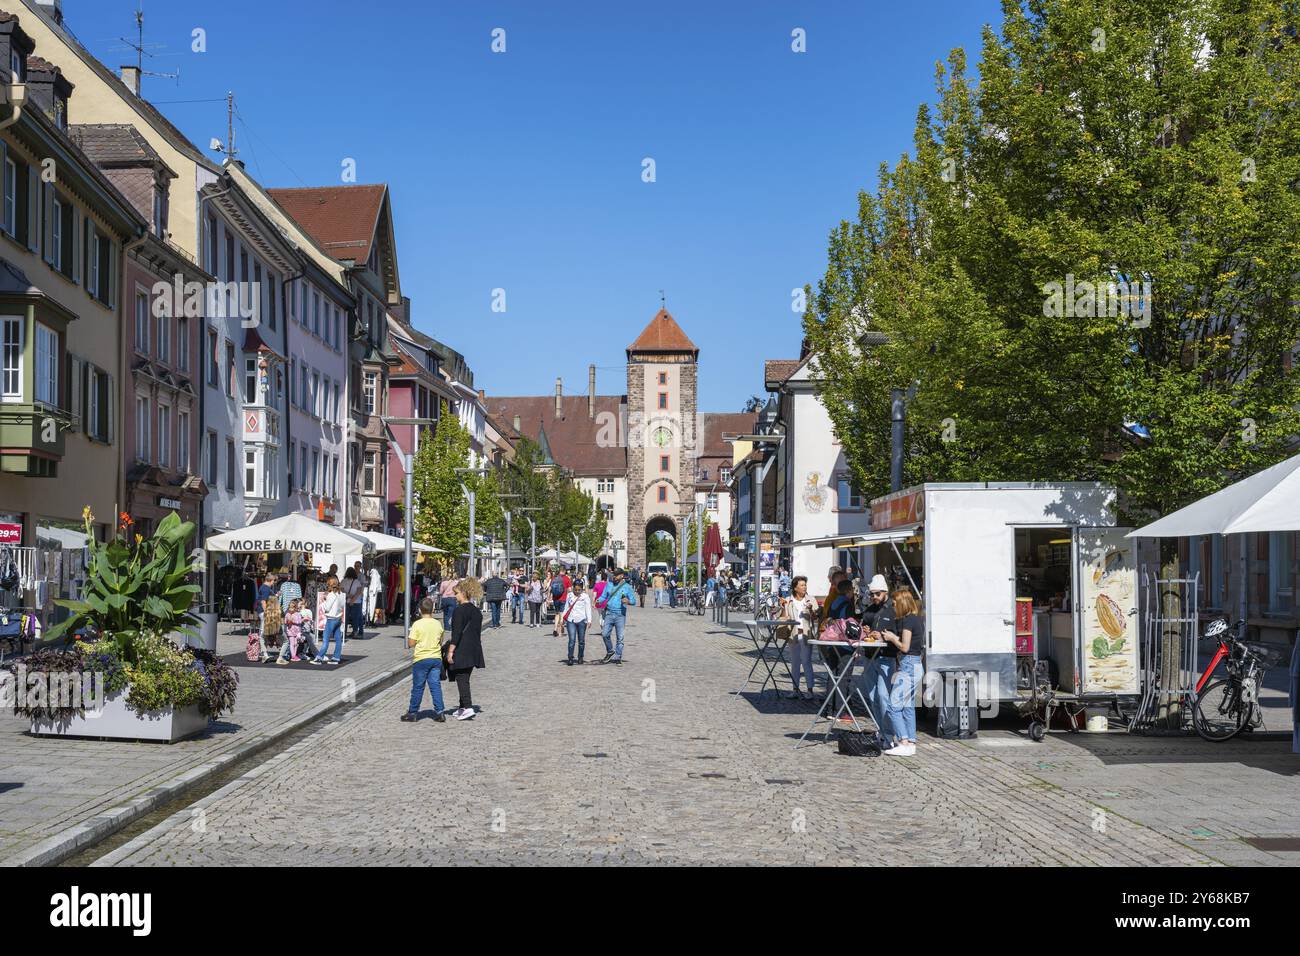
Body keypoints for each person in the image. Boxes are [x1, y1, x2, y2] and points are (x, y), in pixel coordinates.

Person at [880, 588, 924, 757]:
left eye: (895, 603)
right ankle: (911, 741)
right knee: (908, 706)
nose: (894, 606)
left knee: (893, 705)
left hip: (908, 665)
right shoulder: (916, 619)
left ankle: (903, 742)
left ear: (903, 603)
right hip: (916, 665)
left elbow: (904, 647)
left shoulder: (908, 621)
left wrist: (892, 638)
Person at [857, 574, 899, 743]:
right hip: (869, 657)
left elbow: (899, 634)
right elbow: (863, 625)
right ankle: (881, 731)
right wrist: (865, 631)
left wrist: (883, 637)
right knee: (874, 697)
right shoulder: (870, 609)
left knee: (883, 696)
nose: (874, 597)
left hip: (886, 658)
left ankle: (889, 733)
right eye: (872, 594)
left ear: (885, 592)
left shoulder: (894, 610)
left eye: (877, 594)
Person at [401, 597, 446, 722]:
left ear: (420, 610)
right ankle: (440, 711)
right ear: (432, 609)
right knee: (435, 686)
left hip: (421, 658)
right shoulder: (438, 624)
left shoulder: (417, 624)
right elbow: (441, 641)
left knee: (418, 687)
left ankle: (412, 712)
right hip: (436, 658)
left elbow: (411, 643)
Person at [446, 578, 486, 720]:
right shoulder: (477, 611)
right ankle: (462, 707)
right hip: (474, 648)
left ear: (463, 593)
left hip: (462, 648)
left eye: (456, 593)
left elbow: (456, 634)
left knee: (461, 678)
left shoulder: (459, 611)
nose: (455, 596)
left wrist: (451, 651)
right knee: (465, 677)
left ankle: (468, 707)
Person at [784, 575, 820, 700]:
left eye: (805, 585)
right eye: (802, 585)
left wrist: (811, 611)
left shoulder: (810, 599)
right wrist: (783, 607)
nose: (804, 587)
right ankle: (795, 689)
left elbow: (815, 618)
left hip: (806, 634)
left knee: (806, 661)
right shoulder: (789, 600)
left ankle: (810, 689)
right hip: (793, 634)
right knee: (795, 663)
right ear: (795, 588)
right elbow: (785, 617)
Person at [596, 567, 636, 664]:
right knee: (605, 634)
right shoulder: (609, 585)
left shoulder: (627, 587)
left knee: (620, 637)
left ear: (621, 576)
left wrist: (628, 601)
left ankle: (618, 656)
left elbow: (634, 601)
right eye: (613, 574)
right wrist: (598, 600)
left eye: (616, 575)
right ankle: (610, 651)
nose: (614, 576)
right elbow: (603, 596)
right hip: (609, 613)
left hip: (620, 615)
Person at [313, 575, 346, 665]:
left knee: (325, 640)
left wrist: (324, 600)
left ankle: (319, 657)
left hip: (331, 619)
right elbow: (343, 606)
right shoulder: (342, 594)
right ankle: (336, 658)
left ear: (329, 584)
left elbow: (327, 608)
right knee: (338, 639)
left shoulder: (331, 595)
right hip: (338, 618)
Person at [561, 578, 594, 665]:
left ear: (582, 589)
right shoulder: (570, 595)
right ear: (573, 588)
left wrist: (589, 620)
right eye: (575, 589)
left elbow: (588, 608)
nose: (577, 591)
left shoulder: (585, 596)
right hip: (571, 620)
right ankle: (570, 657)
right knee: (572, 640)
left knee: (581, 640)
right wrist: (562, 619)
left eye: (579, 590)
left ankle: (580, 657)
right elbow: (566, 608)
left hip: (582, 620)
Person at [279, 598, 309, 664]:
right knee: (292, 644)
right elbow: (287, 622)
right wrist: (289, 621)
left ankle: (294, 655)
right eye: (290, 607)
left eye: (292, 607)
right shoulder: (288, 614)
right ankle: (293, 656)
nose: (291, 609)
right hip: (291, 631)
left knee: (295, 644)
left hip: (297, 631)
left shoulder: (298, 613)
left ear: (295, 608)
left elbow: (299, 622)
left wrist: (303, 620)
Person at [343, 567, 365, 642]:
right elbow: (359, 592)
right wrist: (353, 600)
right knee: (355, 618)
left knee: (345, 618)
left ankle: (344, 633)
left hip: (346, 601)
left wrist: (349, 596)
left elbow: (342, 591)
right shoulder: (357, 581)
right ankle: (355, 633)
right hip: (356, 602)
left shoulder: (343, 581)